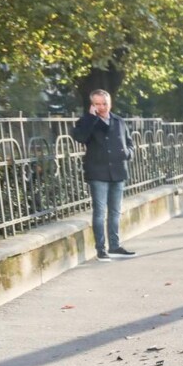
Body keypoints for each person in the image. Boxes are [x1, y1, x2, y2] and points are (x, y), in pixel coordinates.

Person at [72, 89, 135, 261]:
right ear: (92, 105)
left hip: (118, 171)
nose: (102, 107)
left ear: (110, 103)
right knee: (100, 212)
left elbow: (130, 143)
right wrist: (92, 119)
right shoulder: (86, 121)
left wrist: (127, 153)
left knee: (115, 212)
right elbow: (80, 138)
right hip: (98, 172)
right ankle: (101, 249)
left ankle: (115, 246)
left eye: (104, 103)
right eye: (98, 104)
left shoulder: (119, 121)